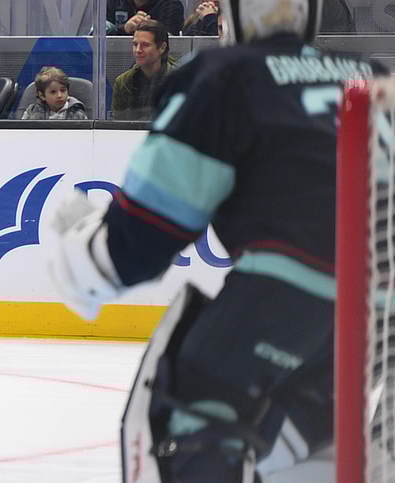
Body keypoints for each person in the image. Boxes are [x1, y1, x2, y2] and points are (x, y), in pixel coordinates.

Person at [47, 0, 387, 480]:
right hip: (380, 312)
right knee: (306, 437)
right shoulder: (369, 74)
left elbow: (138, 243)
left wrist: (82, 252)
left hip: (290, 293)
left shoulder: (224, 75)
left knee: (188, 423)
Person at [111, 21, 175, 121]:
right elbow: (117, 124)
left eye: (145, 45)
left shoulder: (181, 81)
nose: (138, 50)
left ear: (162, 48)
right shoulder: (123, 83)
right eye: (135, 44)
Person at [21, 66, 89, 120]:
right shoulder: (31, 112)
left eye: (63, 90)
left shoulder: (78, 113)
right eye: (53, 92)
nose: (59, 95)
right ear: (42, 95)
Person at [107, 0, 184, 36]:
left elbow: (171, 44)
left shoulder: (171, 5)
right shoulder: (113, 2)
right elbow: (102, 36)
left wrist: (149, 28)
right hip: (115, 59)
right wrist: (124, 29)